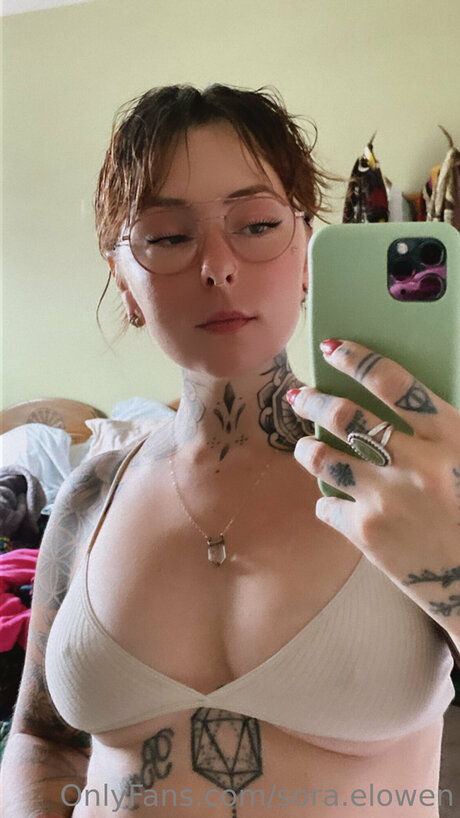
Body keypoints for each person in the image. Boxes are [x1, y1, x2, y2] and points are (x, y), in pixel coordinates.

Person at [1, 83, 459, 818]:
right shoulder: (89, 494)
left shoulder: (415, 476)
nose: (217, 265)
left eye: (257, 224)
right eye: (168, 237)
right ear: (125, 281)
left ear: (307, 255)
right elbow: (40, 736)